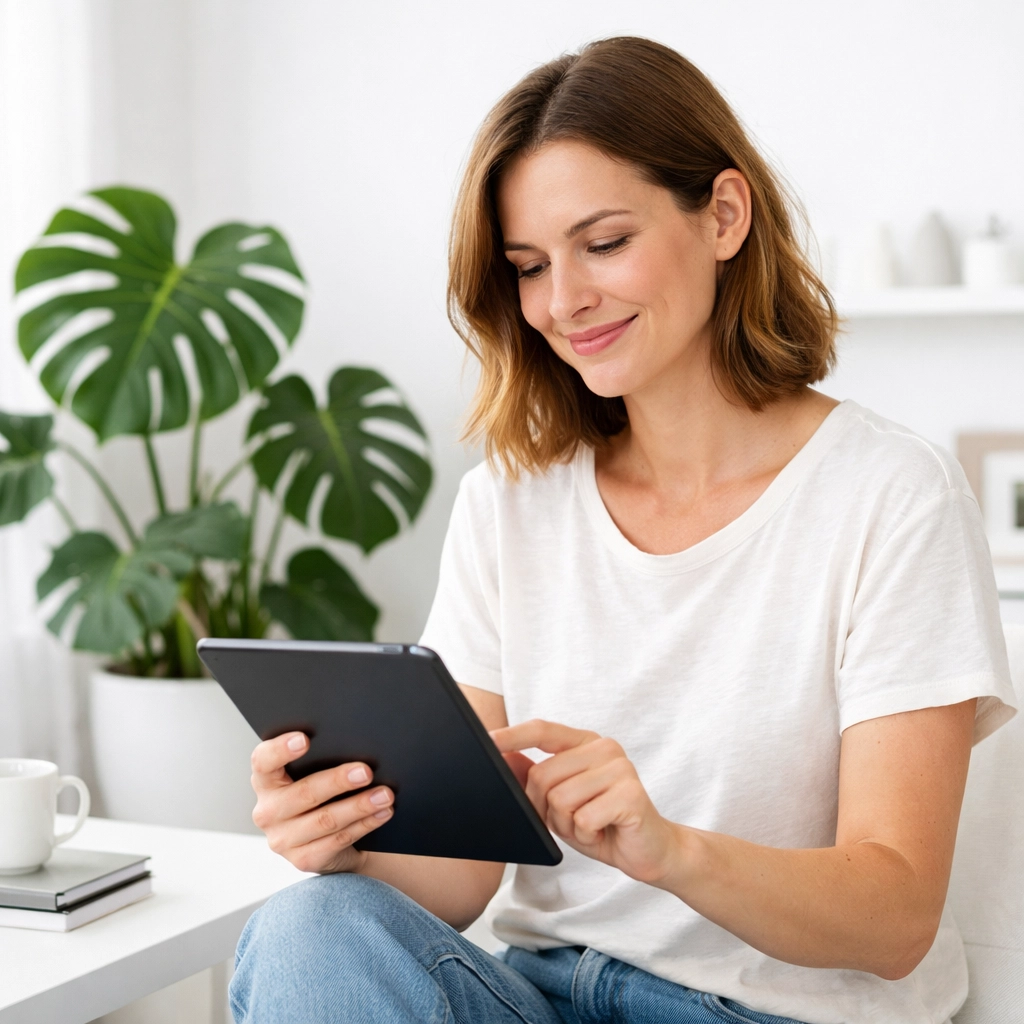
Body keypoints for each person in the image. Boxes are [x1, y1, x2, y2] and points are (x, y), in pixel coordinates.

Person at [228, 37, 1016, 1024]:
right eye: (528, 265)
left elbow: (894, 916)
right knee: (306, 928)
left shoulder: (888, 494)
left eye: (602, 244)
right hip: (542, 992)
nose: (563, 302)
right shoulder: (511, 501)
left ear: (723, 215)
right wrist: (340, 832)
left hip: (766, 1011)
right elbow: (464, 875)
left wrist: (670, 848)